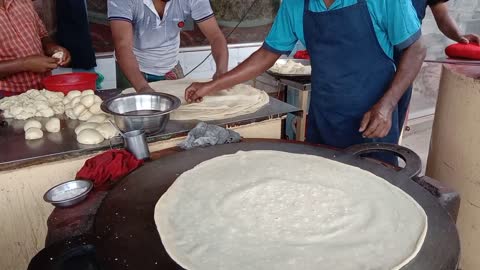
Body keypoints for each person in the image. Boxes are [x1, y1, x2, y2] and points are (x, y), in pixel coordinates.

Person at [184, 0, 427, 164]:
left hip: (373, 123)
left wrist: (387, 106)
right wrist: (212, 86)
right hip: (324, 118)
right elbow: (267, 54)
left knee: (374, 199)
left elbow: (416, 49)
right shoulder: (295, 4)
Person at [108, 0, 229, 93]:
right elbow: (123, 46)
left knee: (180, 115)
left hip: (171, 67)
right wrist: (142, 87)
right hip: (132, 71)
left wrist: (221, 72)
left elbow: (215, 36)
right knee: (135, 120)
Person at [396, 0, 480, 131]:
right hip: (374, 53)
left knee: (394, 115)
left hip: (406, 56)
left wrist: (459, 36)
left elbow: (441, 14)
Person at [0, 0, 71, 96]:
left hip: (44, 88)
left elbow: (42, 35)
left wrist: (52, 47)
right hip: (6, 94)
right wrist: (25, 64)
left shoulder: (23, 1)